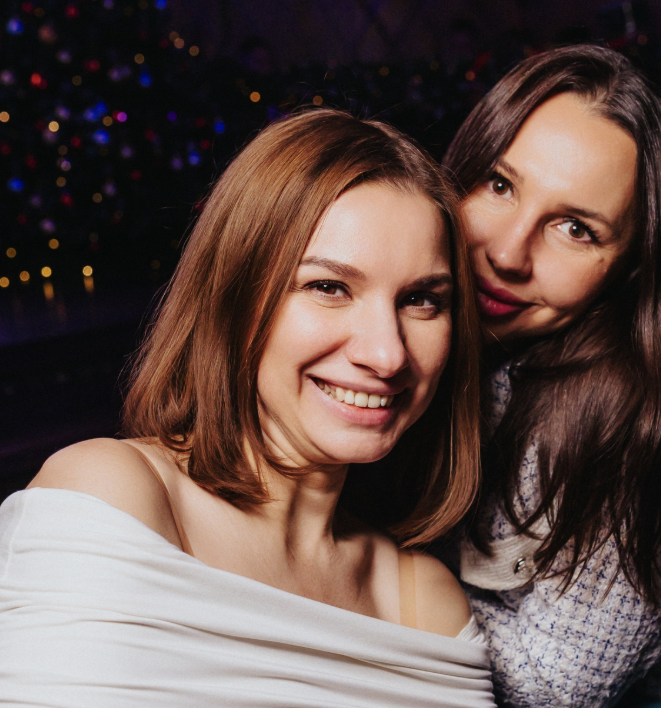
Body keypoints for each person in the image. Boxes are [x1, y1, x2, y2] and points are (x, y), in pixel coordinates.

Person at [0, 110, 496, 707]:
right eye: (328, 287)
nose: (387, 354)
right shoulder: (114, 497)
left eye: (421, 299)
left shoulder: (424, 602)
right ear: (234, 295)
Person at [442, 44, 661, 707]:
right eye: (499, 184)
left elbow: (560, 687)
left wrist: (371, 573)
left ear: (635, 265)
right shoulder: (410, 320)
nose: (508, 253)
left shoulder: (650, 412)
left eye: (576, 229)